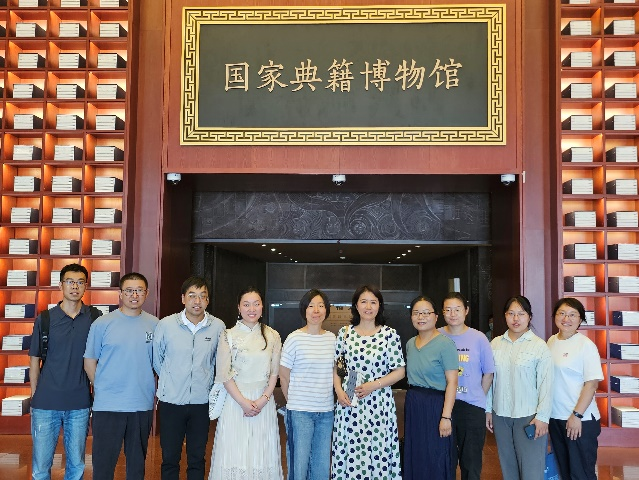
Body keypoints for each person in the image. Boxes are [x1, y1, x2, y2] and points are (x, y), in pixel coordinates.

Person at [29, 263, 101, 480]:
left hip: (79, 403)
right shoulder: (45, 318)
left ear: (86, 286)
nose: (75, 287)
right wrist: (34, 396)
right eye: (70, 282)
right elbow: (34, 359)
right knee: (41, 467)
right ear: (60, 285)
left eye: (80, 282)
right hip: (45, 403)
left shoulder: (95, 317)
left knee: (76, 465)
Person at [84, 272, 159, 480]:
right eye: (129, 290)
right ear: (120, 293)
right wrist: (101, 388)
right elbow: (89, 361)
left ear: (146, 293)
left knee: (136, 466)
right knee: (103, 465)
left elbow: (160, 363)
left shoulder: (155, 325)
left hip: (141, 404)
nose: (134, 295)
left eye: (139, 290)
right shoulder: (102, 323)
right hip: (108, 405)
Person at [153, 276, 225, 480]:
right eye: (192, 295)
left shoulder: (217, 326)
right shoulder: (166, 325)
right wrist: (171, 381)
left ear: (208, 300)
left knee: (197, 457)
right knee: (169, 457)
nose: (197, 301)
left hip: (201, 402)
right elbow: (157, 360)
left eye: (202, 296)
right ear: (183, 298)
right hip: (171, 401)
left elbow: (218, 362)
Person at [331, 285, 405, 480]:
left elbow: (400, 371)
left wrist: (374, 385)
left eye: (373, 302)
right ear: (356, 305)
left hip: (378, 402)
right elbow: (339, 368)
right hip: (349, 401)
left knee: (378, 450)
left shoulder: (389, 334)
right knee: (351, 448)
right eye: (363, 302)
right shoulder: (345, 333)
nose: (368, 306)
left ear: (380, 306)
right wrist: (339, 391)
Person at [208, 287, 283, 480]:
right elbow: (224, 374)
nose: (252, 309)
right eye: (246, 304)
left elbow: (275, 373)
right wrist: (243, 402)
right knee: (236, 452)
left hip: (263, 402)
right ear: (239, 308)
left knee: (261, 452)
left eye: (256, 304)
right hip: (235, 402)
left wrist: (263, 399)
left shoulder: (272, 335)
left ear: (262, 307)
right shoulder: (228, 335)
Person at [486, 295, 553, 480]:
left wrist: (543, 417)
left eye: (521, 314)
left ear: (529, 316)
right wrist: (488, 410)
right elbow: (490, 379)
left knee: (532, 470)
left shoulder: (539, 346)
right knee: (508, 467)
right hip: (501, 415)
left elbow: (546, 384)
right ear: (505, 316)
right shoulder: (495, 344)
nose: (516, 319)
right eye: (511, 314)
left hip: (529, 416)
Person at [280, 289, 336, 480]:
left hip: (326, 412)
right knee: (299, 464)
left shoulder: (332, 339)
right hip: (300, 412)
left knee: (321, 465)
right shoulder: (294, 338)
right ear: (304, 310)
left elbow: (336, 372)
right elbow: (284, 376)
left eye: (321, 306)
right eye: (311, 306)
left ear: (326, 310)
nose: (316, 310)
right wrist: (294, 403)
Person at [439, 292, 494, 480]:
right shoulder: (437, 335)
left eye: (457, 309)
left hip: (471, 407)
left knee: (471, 462)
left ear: (466, 311)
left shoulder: (479, 338)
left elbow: (488, 373)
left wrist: (477, 396)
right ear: (442, 312)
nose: (453, 314)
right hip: (443, 405)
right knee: (444, 460)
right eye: (448, 310)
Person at [547, 298, 603, 480]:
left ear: (580, 319)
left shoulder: (586, 345)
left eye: (572, 315)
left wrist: (576, 415)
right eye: (562, 313)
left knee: (581, 474)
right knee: (564, 471)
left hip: (580, 420)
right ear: (555, 316)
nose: (566, 319)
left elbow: (592, 384)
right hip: (556, 417)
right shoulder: (551, 341)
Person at [404, 295, 459, 480]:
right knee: (416, 452)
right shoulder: (410, 344)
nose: (421, 317)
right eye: (416, 313)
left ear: (436, 317)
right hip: (414, 403)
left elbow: (452, 382)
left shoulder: (446, 344)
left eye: (426, 313)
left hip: (436, 405)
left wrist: (446, 416)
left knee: (436, 454)